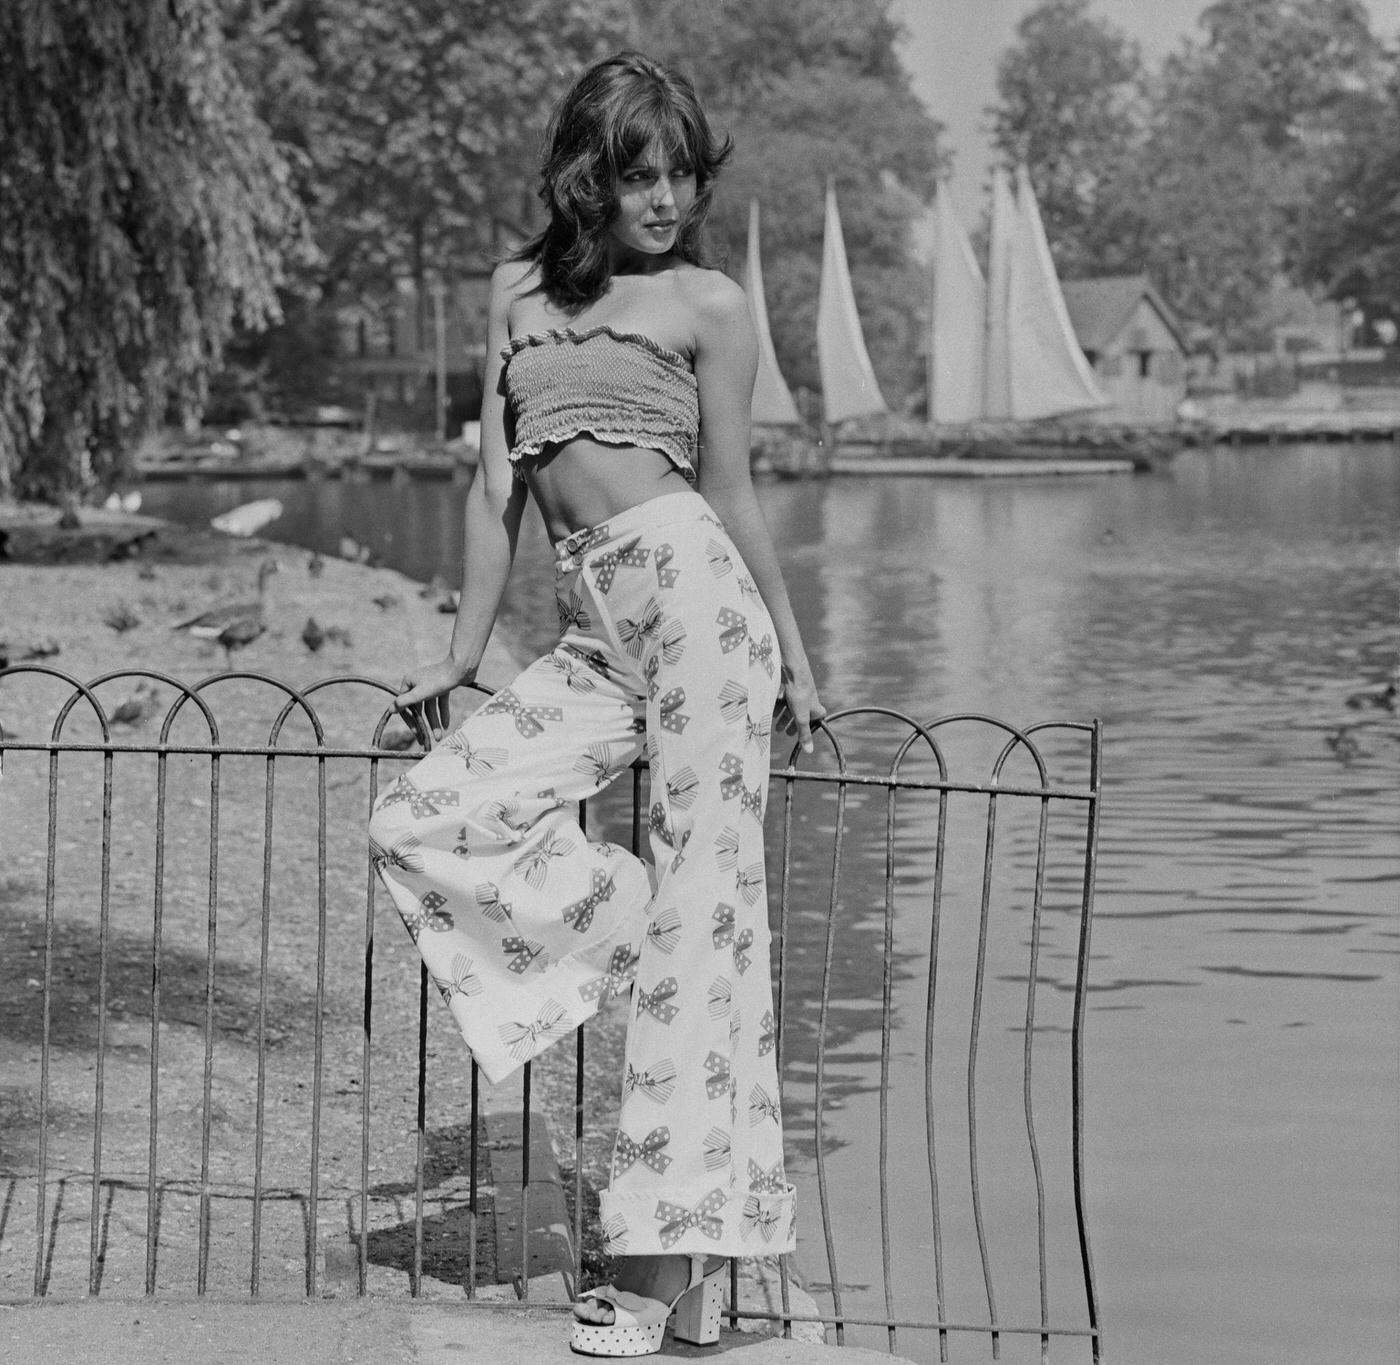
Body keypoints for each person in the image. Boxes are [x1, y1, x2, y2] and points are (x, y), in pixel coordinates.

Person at [367, 49, 824, 1357]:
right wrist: (462, 654)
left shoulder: (711, 305)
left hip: (699, 611)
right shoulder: (515, 294)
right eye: (638, 175)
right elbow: (490, 491)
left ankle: (661, 1277)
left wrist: (794, 654)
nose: (665, 199)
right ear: (588, 179)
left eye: (680, 174)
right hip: (591, 622)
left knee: (701, 962)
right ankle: (627, 914)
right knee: (424, 818)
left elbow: (733, 494)